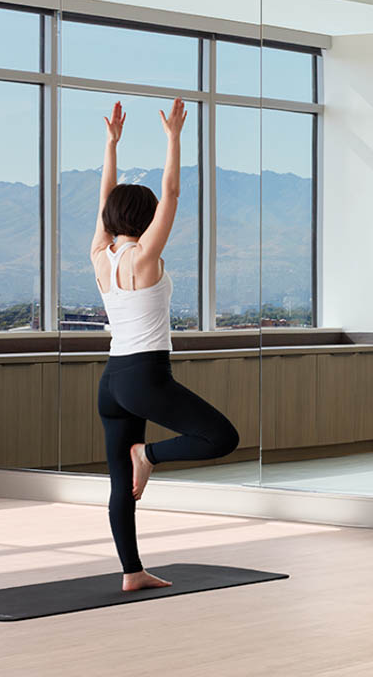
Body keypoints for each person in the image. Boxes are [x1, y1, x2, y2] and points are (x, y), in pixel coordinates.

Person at [91, 98, 239, 591]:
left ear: (113, 220)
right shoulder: (144, 258)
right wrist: (174, 138)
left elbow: (104, 201)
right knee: (221, 438)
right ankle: (149, 455)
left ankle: (131, 572)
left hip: (112, 381)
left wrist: (111, 145)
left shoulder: (100, 256)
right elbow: (172, 193)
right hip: (144, 376)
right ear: (148, 218)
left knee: (119, 487)